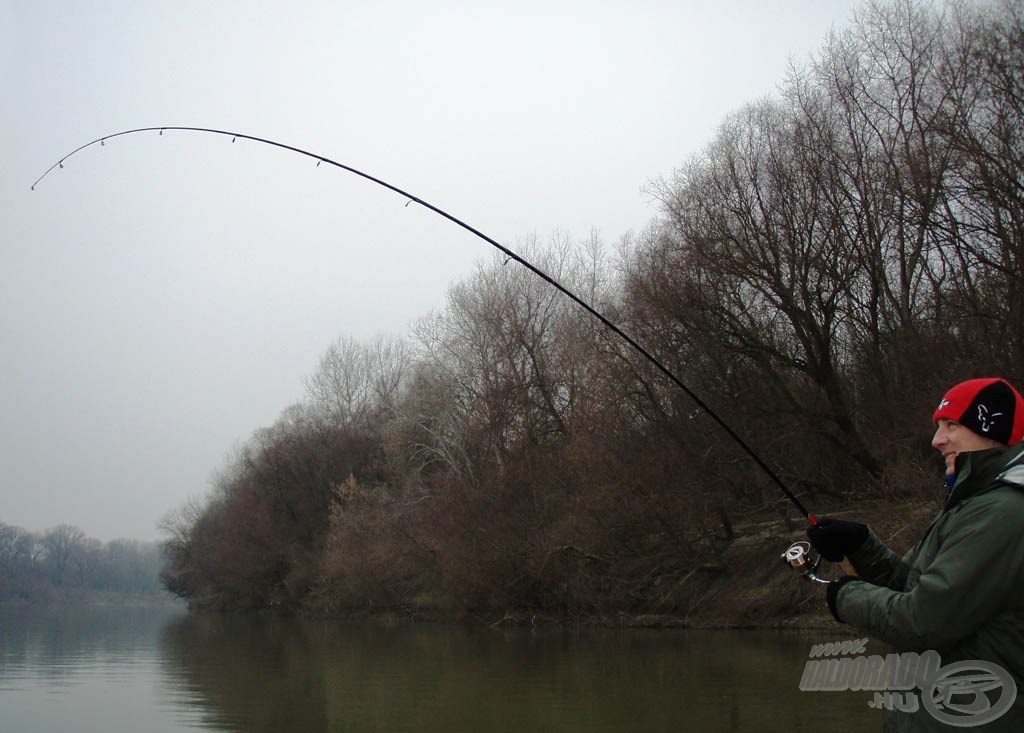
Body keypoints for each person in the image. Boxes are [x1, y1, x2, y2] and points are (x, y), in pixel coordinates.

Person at [808, 377, 1024, 731]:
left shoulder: (1002, 513)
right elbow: (908, 585)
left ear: (992, 430)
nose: (937, 441)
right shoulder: (971, 506)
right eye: (939, 427)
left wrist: (843, 596)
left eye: (951, 426)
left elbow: (921, 621)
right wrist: (860, 546)